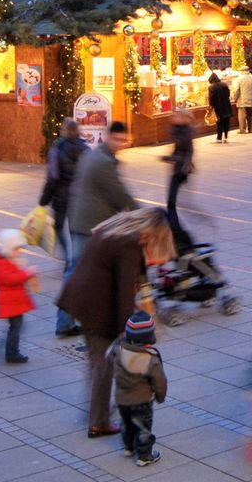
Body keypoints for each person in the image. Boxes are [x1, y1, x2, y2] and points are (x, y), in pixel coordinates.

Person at [57, 208, 175, 439]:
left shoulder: (117, 228)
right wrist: (125, 330)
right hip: (96, 306)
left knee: (97, 361)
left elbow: (136, 276)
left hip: (82, 298)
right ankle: (98, 423)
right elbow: (124, 292)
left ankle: (96, 411)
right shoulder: (129, 244)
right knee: (103, 364)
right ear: (151, 232)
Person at [40, 118, 89, 337]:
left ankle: (67, 255)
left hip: (60, 199)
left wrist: (43, 199)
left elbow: (52, 177)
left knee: (59, 229)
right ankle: (71, 257)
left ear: (63, 131)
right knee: (74, 232)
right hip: (78, 201)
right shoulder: (85, 149)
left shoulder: (57, 149)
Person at [66, 121, 137, 270]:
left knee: (78, 268)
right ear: (107, 137)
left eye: (122, 140)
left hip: (82, 220)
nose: (119, 144)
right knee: (79, 270)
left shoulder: (93, 154)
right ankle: (71, 293)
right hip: (90, 224)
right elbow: (119, 193)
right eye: (116, 139)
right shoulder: (102, 161)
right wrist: (140, 212)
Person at [107, 310, 167, 467]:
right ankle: (144, 456)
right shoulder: (151, 358)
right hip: (142, 400)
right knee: (143, 428)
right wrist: (160, 396)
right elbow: (160, 381)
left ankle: (129, 447)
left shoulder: (118, 350)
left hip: (122, 399)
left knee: (126, 424)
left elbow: (108, 360)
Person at [0, 229, 39, 364]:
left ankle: (8, 349)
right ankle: (11, 353)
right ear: (9, 249)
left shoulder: (8, 260)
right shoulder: (3, 263)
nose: (20, 251)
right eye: (17, 249)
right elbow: (10, 279)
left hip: (13, 300)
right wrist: (27, 273)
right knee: (16, 327)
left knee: (16, 326)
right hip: (10, 302)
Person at [161, 109, 195, 250]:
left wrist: (173, 160)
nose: (174, 117)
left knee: (171, 203)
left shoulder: (186, 132)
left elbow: (188, 152)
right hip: (178, 169)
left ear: (185, 118)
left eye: (178, 116)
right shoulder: (177, 130)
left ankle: (177, 233)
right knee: (171, 203)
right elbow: (177, 150)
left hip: (181, 171)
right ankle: (176, 230)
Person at [230, 65, 252, 134]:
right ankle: (251, 129)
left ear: (242, 71)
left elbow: (236, 90)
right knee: (251, 115)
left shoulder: (238, 79)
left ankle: (242, 130)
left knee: (242, 116)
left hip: (242, 100)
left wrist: (234, 98)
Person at [207, 72, 233, 144]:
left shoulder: (211, 87)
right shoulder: (224, 85)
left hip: (218, 107)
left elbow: (211, 98)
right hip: (227, 106)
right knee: (226, 121)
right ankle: (226, 137)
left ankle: (219, 138)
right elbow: (228, 94)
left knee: (219, 122)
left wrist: (211, 105)